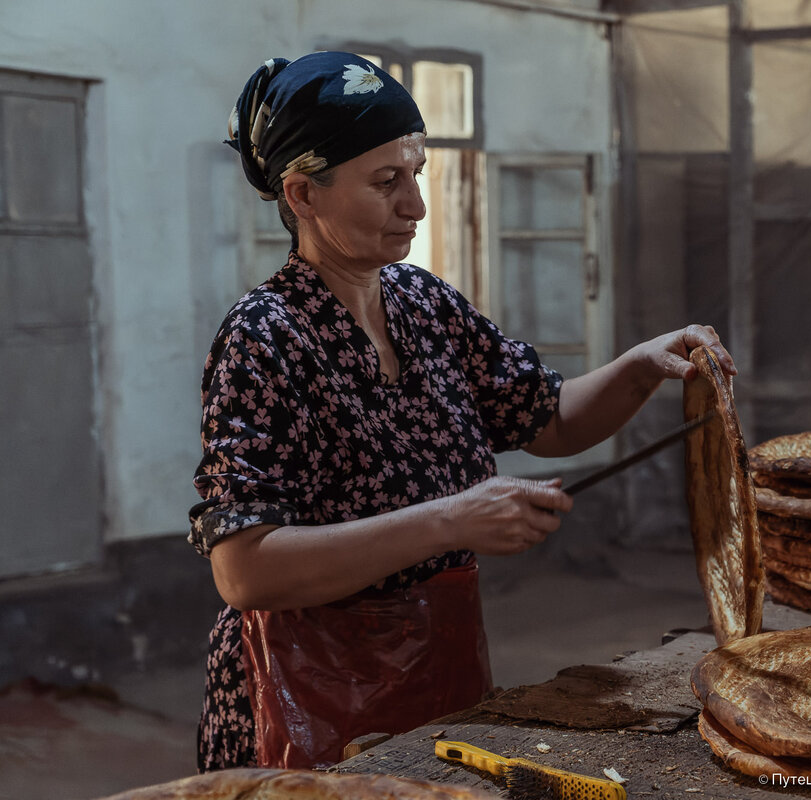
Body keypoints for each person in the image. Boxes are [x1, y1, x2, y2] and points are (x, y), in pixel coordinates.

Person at [190, 51, 736, 772]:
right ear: (302, 195)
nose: (414, 204)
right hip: (300, 690)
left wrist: (641, 366)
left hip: (434, 667)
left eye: (416, 175)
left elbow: (552, 420)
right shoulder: (265, 336)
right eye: (385, 182)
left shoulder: (422, 304)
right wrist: (452, 518)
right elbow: (245, 571)